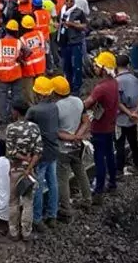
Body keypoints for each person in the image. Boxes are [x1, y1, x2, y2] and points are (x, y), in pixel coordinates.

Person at [80, 51, 120, 196]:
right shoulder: (114, 83)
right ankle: (113, 183)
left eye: (97, 66)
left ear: (104, 68)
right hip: (110, 125)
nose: (95, 68)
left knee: (99, 159)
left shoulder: (101, 88)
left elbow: (87, 103)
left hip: (99, 128)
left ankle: (99, 190)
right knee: (109, 155)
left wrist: (76, 106)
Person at [25, 76, 60, 231]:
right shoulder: (54, 107)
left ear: (38, 93)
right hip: (53, 149)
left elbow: (26, 127)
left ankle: (37, 218)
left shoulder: (34, 110)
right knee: (53, 183)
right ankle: (52, 215)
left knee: (37, 186)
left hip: (39, 153)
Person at [52, 75, 90, 221]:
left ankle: (66, 208)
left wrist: (72, 137)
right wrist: (78, 136)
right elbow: (86, 122)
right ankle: (87, 199)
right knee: (80, 171)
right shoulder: (78, 101)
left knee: (62, 178)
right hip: (77, 145)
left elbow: (57, 132)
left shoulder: (56, 108)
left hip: (63, 147)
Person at [5, 102, 41, 241]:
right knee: (28, 201)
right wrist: (30, 167)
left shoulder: (11, 128)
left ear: (16, 111)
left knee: (13, 201)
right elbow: (38, 150)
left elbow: (10, 151)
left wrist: (22, 158)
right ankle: (26, 232)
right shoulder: (35, 128)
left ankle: (13, 231)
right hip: (30, 170)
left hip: (15, 168)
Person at [115, 54, 138, 177]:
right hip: (133, 117)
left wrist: (128, 113)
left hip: (121, 118)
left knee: (119, 144)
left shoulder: (117, 81)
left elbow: (118, 102)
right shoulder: (135, 79)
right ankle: (136, 165)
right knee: (133, 141)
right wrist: (134, 112)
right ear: (128, 65)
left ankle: (119, 170)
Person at [59, 0, 89, 95]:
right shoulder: (62, 11)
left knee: (77, 65)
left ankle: (77, 88)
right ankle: (69, 86)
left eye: (71, 1)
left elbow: (84, 26)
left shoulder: (78, 12)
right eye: (66, 1)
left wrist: (72, 25)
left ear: (74, 2)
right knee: (66, 66)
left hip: (75, 41)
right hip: (64, 42)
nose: (68, 3)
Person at [0, 20, 24, 117]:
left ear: (6, 30)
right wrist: (20, 59)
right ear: (16, 31)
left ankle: (2, 116)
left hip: (2, 73)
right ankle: (15, 114)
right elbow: (28, 52)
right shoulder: (18, 43)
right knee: (17, 94)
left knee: (2, 95)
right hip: (16, 73)